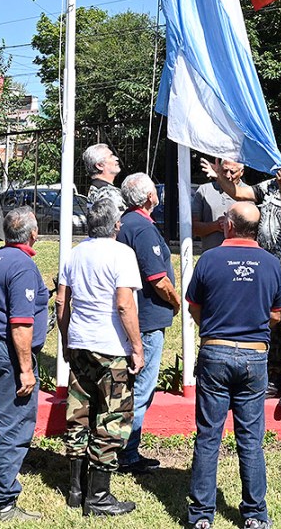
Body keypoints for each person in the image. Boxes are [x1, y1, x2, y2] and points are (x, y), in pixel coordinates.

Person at [186, 201, 281, 529]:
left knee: (208, 436)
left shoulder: (210, 259)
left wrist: (213, 329)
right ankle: (255, 515)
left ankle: (201, 516)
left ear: (228, 225)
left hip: (215, 352)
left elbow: (194, 307)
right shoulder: (271, 264)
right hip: (255, 356)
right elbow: (276, 315)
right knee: (250, 439)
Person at [205, 148, 281, 408]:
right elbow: (240, 193)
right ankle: (274, 377)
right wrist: (221, 175)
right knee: (269, 325)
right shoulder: (269, 185)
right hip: (264, 270)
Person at [55, 197, 142, 518]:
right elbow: (124, 304)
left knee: (78, 412)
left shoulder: (75, 254)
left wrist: (65, 340)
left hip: (80, 343)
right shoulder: (122, 254)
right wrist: (137, 346)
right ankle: (99, 495)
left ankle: (76, 490)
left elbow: (62, 303)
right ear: (116, 225)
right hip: (112, 348)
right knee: (112, 418)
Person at [0, 207, 49, 522]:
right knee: (12, 426)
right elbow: (20, 322)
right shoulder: (23, 267)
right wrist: (25, 367)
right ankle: (3, 503)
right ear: (32, 234)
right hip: (6, 351)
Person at [115, 172, 178, 474]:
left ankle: (120, 449)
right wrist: (178, 301)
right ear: (150, 197)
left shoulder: (126, 223)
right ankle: (127, 454)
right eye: (155, 191)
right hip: (147, 321)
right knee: (141, 388)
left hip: (134, 319)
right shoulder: (141, 227)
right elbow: (157, 279)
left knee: (130, 387)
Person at [192, 176, 234, 251]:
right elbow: (194, 228)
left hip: (239, 256)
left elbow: (252, 231)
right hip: (211, 255)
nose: (228, 175)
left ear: (241, 172)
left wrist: (231, 225)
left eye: (233, 172)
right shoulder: (204, 190)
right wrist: (216, 225)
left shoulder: (248, 193)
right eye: (225, 170)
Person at [83, 143, 124, 213]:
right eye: (111, 156)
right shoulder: (108, 194)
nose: (116, 158)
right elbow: (123, 221)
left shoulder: (94, 190)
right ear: (100, 165)